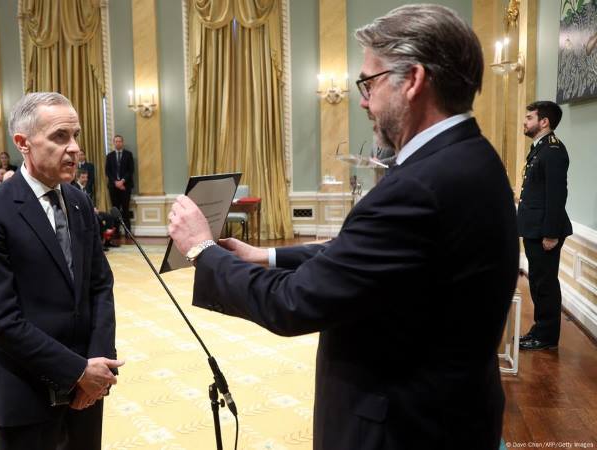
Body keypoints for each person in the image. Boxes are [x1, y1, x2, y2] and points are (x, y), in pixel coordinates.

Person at [168, 5, 518, 449]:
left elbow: (292, 304)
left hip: (402, 427)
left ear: (412, 80)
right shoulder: (472, 158)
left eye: (368, 83)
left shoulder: (419, 187)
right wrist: (267, 255)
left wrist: (202, 249)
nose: (363, 100)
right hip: (455, 413)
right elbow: (372, 257)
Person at [0, 92, 122, 450]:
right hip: (25, 397)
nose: (75, 148)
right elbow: (2, 321)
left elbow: (100, 288)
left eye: (76, 135)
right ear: (23, 144)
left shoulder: (79, 202)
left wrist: (97, 370)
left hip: (86, 394)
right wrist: (76, 373)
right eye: (60, 136)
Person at [517, 101, 572, 351]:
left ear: (544, 122)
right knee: (538, 282)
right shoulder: (540, 149)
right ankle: (540, 330)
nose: (525, 122)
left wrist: (551, 233)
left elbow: (556, 196)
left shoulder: (553, 151)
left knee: (545, 284)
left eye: (529, 117)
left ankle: (546, 336)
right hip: (534, 227)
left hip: (544, 231)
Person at [105, 135, 134, 234]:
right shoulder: (109, 156)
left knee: (125, 209)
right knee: (115, 209)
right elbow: (108, 171)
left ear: (122, 142)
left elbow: (131, 171)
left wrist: (122, 181)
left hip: (125, 186)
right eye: (116, 141)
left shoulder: (128, 155)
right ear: (113, 143)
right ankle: (116, 232)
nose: (118, 143)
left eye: (120, 141)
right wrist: (116, 182)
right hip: (113, 187)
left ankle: (128, 232)